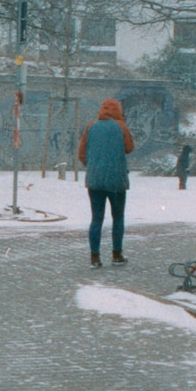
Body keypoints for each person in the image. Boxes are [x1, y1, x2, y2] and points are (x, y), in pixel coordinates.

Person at [78, 98, 135, 268]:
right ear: (119, 111)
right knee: (118, 217)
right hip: (116, 180)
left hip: (94, 181)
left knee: (96, 219)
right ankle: (117, 255)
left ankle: (95, 258)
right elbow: (129, 148)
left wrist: (94, 166)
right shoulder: (121, 126)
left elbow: (81, 153)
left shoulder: (91, 126)